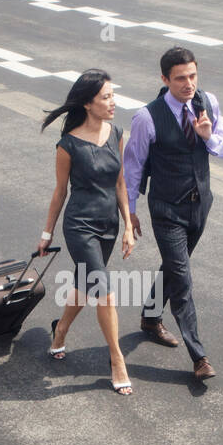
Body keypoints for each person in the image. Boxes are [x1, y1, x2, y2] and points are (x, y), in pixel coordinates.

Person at [122, 46, 223, 380]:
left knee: (174, 266)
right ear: (165, 79)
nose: (189, 84)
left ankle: (150, 318)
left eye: (193, 76)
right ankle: (199, 357)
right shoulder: (146, 117)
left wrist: (209, 136)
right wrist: (131, 214)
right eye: (181, 78)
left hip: (200, 205)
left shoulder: (208, 103)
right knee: (182, 280)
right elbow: (133, 167)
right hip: (167, 209)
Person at [37, 70, 137, 395]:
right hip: (80, 226)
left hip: (108, 225)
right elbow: (59, 192)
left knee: (84, 284)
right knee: (104, 290)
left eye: (112, 95)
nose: (113, 102)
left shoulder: (116, 133)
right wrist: (47, 233)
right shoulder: (67, 146)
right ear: (87, 103)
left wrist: (127, 226)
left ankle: (60, 330)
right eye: (106, 97)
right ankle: (117, 359)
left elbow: (120, 183)